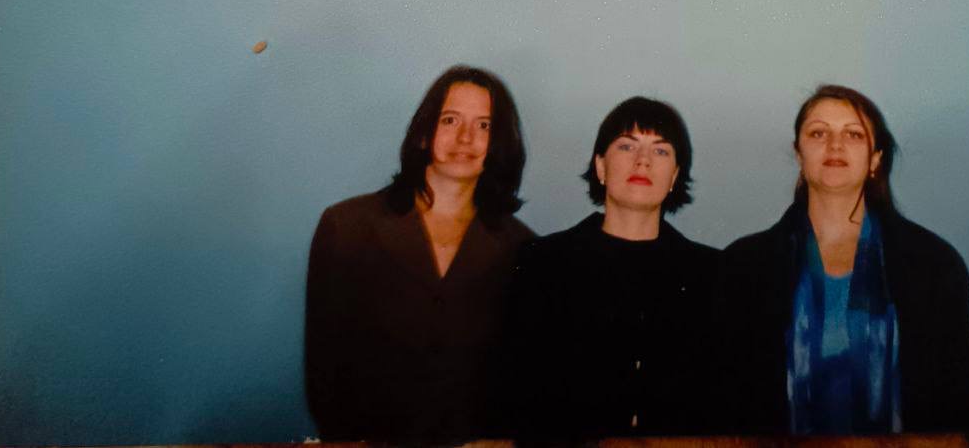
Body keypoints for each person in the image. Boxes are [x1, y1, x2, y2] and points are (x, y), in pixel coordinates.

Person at [719, 85, 969, 435]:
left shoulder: (934, 265)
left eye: (853, 134)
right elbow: (726, 402)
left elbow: (959, 406)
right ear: (799, 154)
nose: (835, 145)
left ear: (875, 159)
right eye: (818, 133)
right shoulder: (744, 266)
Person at [304, 65, 533, 443]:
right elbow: (323, 366)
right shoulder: (347, 227)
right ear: (424, 133)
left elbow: (515, 376)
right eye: (450, 120)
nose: (465, 137)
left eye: (483, 125)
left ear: (499, 143)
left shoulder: (522, 248)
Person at [507, 96, 719, 440]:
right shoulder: (542, 264)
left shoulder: (711, 275)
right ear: (601, 166)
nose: (643, 161)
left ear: (675, 176)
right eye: (626, 146)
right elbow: (518, 392)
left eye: (661, 150)